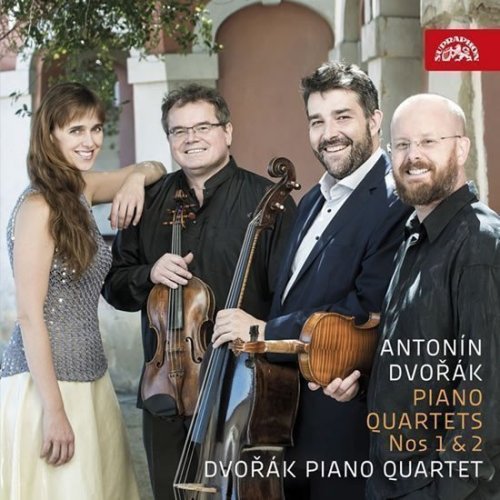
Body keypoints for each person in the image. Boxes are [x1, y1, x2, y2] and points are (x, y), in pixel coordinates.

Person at [212, 62, 411, 499]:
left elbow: (366, 310)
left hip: (342, 417)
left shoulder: (394, 201)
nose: (329, 133)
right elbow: (291, 296)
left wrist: (265, 331)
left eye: (343, 117)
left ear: (374, 120)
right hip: (287, 413)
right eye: (317, 121)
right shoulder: (310, 202)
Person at [102, 83, 296, 500]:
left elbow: (291, 295)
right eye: (179, 131)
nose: (191, 138)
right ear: (170, 138)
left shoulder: (268, 201)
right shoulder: (148, 202)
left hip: (242, 390)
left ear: (227, 131)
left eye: (203, 127)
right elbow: (114, 287)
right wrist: (148, 273)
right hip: (166, 393)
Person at [0, 81, 166, 500]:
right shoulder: (38, 206)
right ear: (50, 135)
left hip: (91, 380)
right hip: (46, 386)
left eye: (95, 129)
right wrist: (54, 412)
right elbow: (29, 317)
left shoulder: (82, 189)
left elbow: (157, 167)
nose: (90, 141)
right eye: (76, 130)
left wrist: (134, 180)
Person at [364, 94, 500, 499]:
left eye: (428, 141)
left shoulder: (482, 245)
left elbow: (487, 394)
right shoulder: (412, 238)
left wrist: (444, 491)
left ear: (461, 148)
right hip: (391, 481)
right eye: (402, 145)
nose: (413, 156)